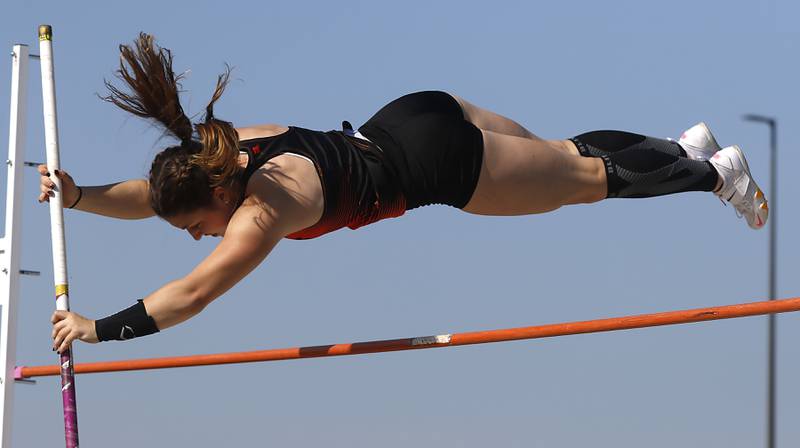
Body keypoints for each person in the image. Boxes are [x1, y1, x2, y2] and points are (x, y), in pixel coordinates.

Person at [41, 34, 767, 353]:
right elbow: (153, 194)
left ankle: (713, 173)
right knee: (565, 154)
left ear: (218, 198)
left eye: (199, 227)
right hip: (414, 112)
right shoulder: (229, 152)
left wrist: (98, 329)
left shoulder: (261, 216)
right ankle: (684, 147)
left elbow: (191, 296)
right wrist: (80, 197)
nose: (202, 238)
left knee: (587, 183)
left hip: (439, 166)